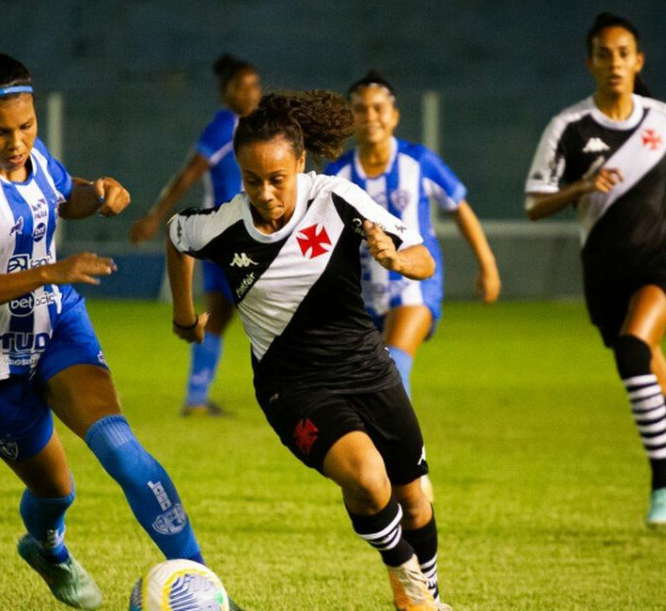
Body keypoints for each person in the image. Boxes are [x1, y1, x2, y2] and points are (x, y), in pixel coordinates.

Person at [0, 42, 207, 610]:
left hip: (56, 327)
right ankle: (49, 548)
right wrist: (50, 271)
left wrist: (100, 194)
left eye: (26, 126)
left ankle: (205, 586)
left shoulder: (33, 154)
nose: (17, 143)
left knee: (123, 451)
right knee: (56, 492)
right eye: (0, 133)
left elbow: (64, 196)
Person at [167, 91, 449, 611]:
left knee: (413, 499)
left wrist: (395, 259)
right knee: (368, 478)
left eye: (277, 179)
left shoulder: (336, 198)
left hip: (368, 369)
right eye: (252, 180)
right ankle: (409, 588)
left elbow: (422, 257)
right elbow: (177, 235)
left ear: (300, 162)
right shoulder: (224, 226)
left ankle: (427, 595)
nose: (265, 193)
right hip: (292, 386)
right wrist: (184, 317)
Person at [524, 13, 666, 540]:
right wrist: (581, 187)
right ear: (590, 62)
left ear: (638, 60)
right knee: (658, 388)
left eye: (624, 54)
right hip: (605, 275)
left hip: (660, 262)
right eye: (605, 54)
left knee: (632, 349)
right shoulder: (569, 127)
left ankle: (663, 485)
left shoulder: (663, 119)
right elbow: (534, 203)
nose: (615, 63)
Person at [326, 71, 500, 504]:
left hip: (415, 286)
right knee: (365, 382)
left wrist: (487, 264)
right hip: (361, 295)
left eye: (378, 108)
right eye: (360, 109)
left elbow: (460, 208)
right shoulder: (337, 174)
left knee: (393, 365)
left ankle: (410, 471)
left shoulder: (418, 162)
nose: (370, 116)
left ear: (395, 114)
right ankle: (390, 464)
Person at [129, 53, 261, 416]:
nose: (251, 92)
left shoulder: (246, 126)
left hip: (230, 234)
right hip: (232, 235)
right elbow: (190, 173)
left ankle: (196, 398)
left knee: (220, 312)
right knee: (271, 306)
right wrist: (156, 215)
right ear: (225, 91)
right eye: (242, 86)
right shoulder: (225, 127)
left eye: (255, 85)